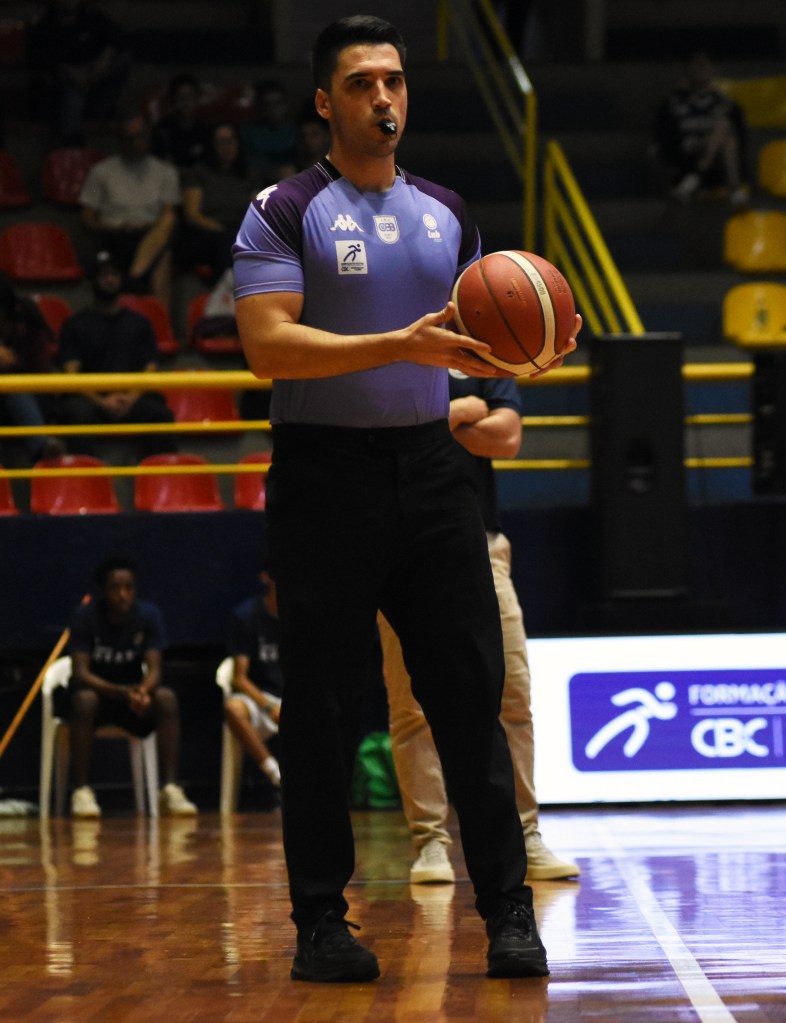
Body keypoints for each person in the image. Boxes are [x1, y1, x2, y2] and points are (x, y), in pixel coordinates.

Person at [233, 15, 580, 984]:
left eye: (392, 80)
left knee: (471, 698)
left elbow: (479, 342)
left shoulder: (448, 212)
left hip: (432, 472)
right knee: (322, 710)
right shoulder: (282, 209)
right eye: (360, 83)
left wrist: (531, 352)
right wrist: (399, 345)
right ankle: (320, 924)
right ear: (324, 101)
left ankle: (509, 912)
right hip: (324, 475)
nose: (381, 96)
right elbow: (266, 346)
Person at [378, 372, 580, 885]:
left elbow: (507, 437)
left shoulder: (486, 349)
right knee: (411, 708)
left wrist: (437, 420)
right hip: (399, 545)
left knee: (513, 696)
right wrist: (467, 410)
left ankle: (525, 837)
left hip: (483, 546)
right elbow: (384, 437)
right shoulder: (386, 344)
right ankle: (430, 843)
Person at [56, 555, 198, 818]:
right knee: (85, 699)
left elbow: (155, 670)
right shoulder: (85, 616)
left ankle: (170, 788)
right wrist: (123, 692)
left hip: (131, 700)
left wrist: (142, 691)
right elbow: (81, 674)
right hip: (97, 700)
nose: (123, 594)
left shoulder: (149, 615)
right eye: (115, 588)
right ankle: (82, 792)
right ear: (102, 590)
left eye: (129, 587)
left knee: (166, 698)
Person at [55, 251, 178, 460]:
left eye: (114, 274)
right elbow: (71, 373)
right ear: (91, 282)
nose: (110, 280)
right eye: (103, 275)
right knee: (75, 412)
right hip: (92, 401)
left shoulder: (140, 323)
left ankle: (161, 476)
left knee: (160, 414)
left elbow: (150, 368)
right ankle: (85, 476)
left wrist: (130, 398)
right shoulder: (75, 325)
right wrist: (102, 401)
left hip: (132, 398)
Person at [79, 112, 180, 307]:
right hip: (114, 236)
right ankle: (157, 315)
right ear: (120, 138)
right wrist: (113, 228)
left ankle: (135, 279)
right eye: (129, 137)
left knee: (168, 232)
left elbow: (168, 214)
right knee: (162, 257)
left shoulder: (166, 172)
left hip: (150, 234)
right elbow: (87, 217)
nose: (135, 143)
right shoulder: (99, 172)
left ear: (148, 136)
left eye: (139, 136)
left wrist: (149, 227)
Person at [26, 0, 132, 146]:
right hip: (60, 95)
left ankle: (102, 112)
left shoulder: (92, 18)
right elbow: (38, 59)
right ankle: (71, 142)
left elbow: (119, 37)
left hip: (94, 85)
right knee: (72, 89)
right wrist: (67, 71)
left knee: (123, 59)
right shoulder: (44, 25)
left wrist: (103, 60)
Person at [652, 50, 749, 207]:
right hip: (684, 157)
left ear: (715, 69)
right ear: (688, 68)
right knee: (724, 130)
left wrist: (707, 143)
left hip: (717, 167)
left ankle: (695, 177)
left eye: (706, 64)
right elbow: (662, 137)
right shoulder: (673, 102)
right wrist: (687, 143)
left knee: (726, 130)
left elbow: (741, 141)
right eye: (697, 64)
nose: (702, 68)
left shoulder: (726, 103)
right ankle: (735, 189)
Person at [178, 122, 264, 282]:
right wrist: (222, 230)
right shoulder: (199, 173)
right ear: (211, 145)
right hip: (206, 232)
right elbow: (192, 215)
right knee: (228, 243)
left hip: (240, 231)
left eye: (231, 141)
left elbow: (258, 212)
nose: (227, 146)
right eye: (221, 142)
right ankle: (228, 288)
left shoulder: (250, 173)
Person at [224, 564, 283, 791]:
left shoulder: (303, 616)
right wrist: (268, 705)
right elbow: (239, 678)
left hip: (295, 698)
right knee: (234, 708)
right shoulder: (246, 616)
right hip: (261, 699)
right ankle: (275, 774)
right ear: (265, 577)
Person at [0, 274, 65, 464]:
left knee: (15, 388)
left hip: (33, 401)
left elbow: (41, 371)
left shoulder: (31, 329)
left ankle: (42, 446)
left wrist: (14, 364)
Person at [150, 72, 213, 175]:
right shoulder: (162, 130)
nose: (186, 103)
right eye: (181, 97)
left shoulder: (204, 129)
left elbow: (209, 164)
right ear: (172, 100)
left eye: (190, 97)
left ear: (197, 99)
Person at [242, 78, 298, 182]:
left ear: (286, 104)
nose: (273, 109)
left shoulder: (295, 130)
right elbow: (250, 165)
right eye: (268, 104)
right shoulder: (251, 132)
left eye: (278, 103)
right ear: (261, 106)